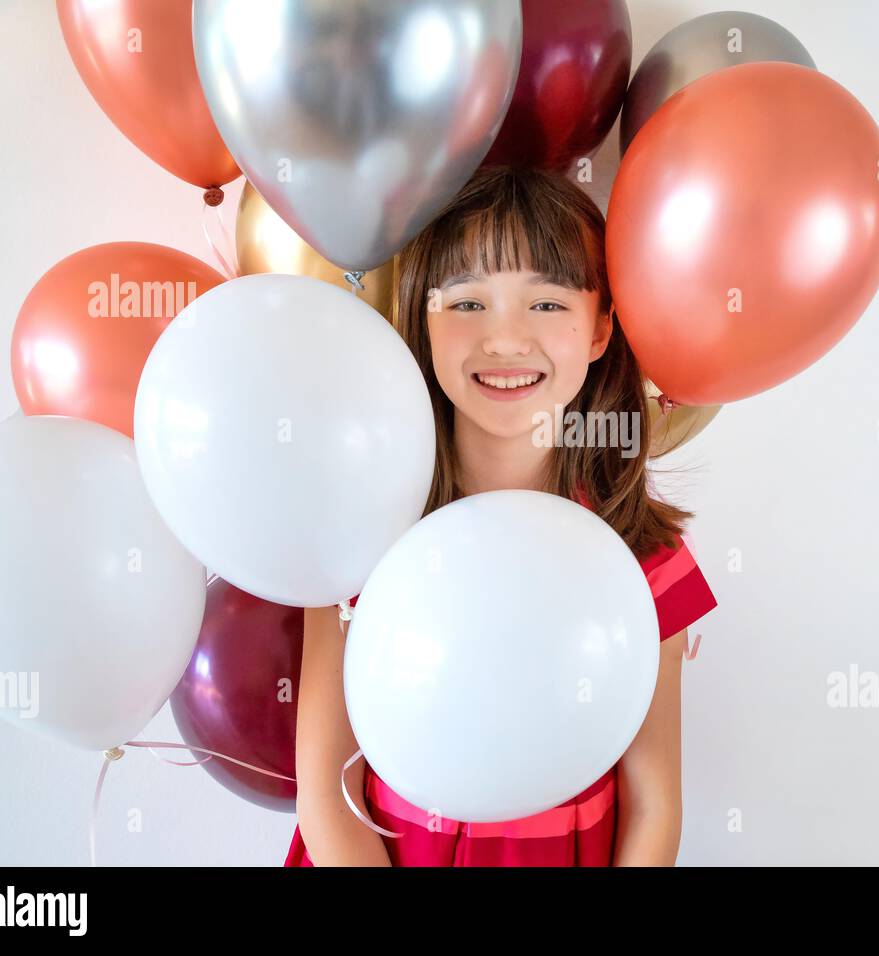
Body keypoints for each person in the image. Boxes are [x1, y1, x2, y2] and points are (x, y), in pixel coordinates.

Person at [286, 165, 717, 866]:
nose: (506, 340)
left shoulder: (645, 558)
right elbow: (328, 794)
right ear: (422, 321)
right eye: (466, 303)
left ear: (602, 326)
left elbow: (654, 802)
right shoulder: (360, 532)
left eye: (547, 305)